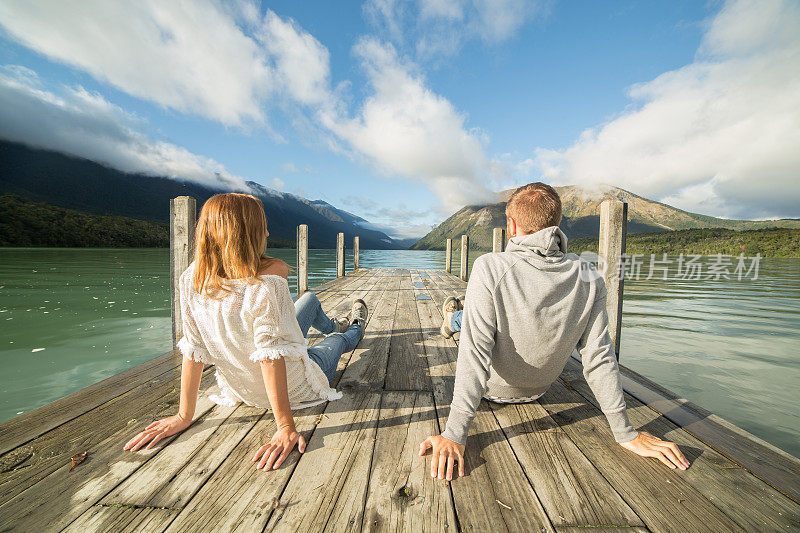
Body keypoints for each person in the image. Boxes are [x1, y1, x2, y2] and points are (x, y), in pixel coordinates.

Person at [420, 182, 689, 481]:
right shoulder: (589, 275)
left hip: (492, 391)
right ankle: (455, 317)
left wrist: (455, 433)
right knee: (482, 311)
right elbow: (600, 356)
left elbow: (475, 354)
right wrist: (625, 432)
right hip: (539, 391)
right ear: (557, 223)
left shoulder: (490, 266)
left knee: (472, 315)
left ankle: (452, 319)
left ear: (511, 225)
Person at [124, 193, 367, 472]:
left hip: (243, 388)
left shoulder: (191, 279)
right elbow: (269, 357)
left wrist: (183, 415)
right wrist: (286, 426)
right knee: (334, 343)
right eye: (261, 226)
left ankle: (334, 323)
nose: (267, 232)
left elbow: (194, 348)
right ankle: (353, 327)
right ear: (245, 233)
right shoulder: (269, 280)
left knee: (309, 300)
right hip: (296, 386)